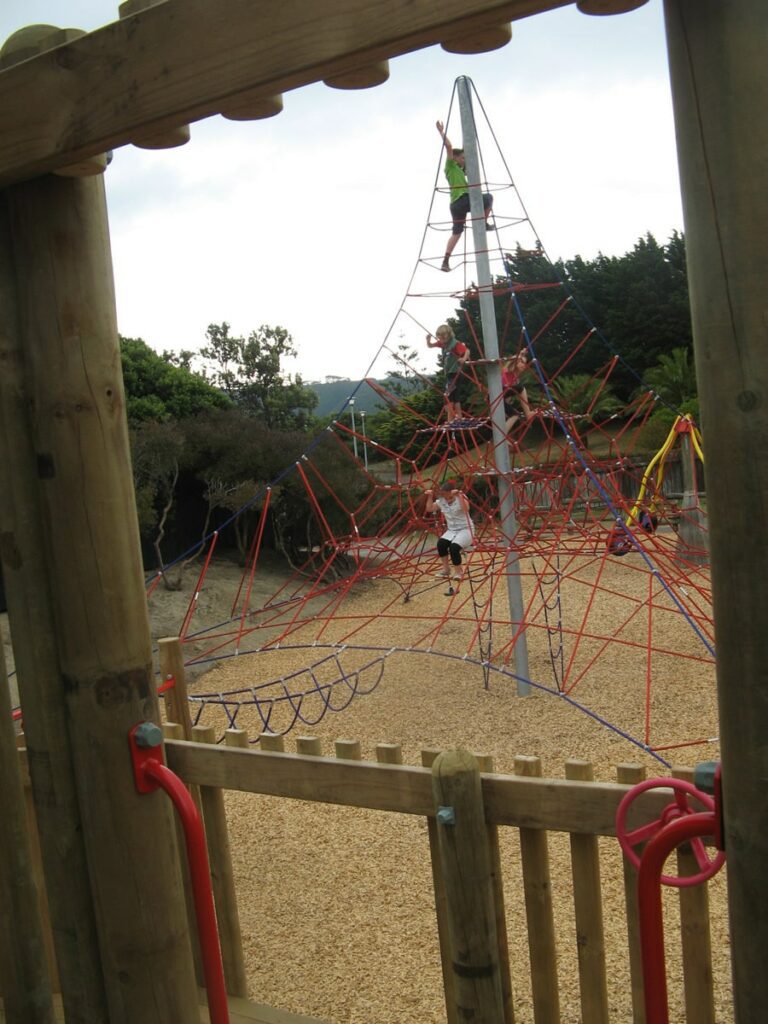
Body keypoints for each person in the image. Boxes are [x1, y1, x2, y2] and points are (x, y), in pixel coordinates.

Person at [435, 120, 494, 272]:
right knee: (488, 199)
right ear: (454, 158)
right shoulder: (450, 165)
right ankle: (484, 223)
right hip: (462, 200)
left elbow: (469, 167)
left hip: (455, 205)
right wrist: (441, 132)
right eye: (461, 158)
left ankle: (446, 260)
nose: (463, 161)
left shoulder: (460, 170)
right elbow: (448, 147)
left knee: (457, 232)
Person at [424, 480, 475, 585]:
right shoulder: (442, 501)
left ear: (452, 492)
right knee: (441, 544)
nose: (446, 499)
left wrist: (459, 495)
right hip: (452, 530)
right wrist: (429, 496)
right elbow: (429, 509)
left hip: (465, 530)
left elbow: (466, 509)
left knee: (454, 548)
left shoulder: (461, 497)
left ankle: (458, 572)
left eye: (448, 496)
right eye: (444, 496)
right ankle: (446, 569)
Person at [426, 323, 470, 421]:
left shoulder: (454, 344)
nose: (441, 337)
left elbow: (467, 351)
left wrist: (463, 359)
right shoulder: (442, 343)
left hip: (455, 373)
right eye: (439, 335)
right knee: (455, 397)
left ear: (449, 334)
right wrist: (428, 340)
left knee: (448, 396)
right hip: (449, 374)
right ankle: (459, 418)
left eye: (444, 335)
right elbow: (430, 345)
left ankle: (450, 419)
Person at [502, 349, 534, 433]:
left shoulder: (514, 376)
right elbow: (512, 361)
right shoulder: (508, 370)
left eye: (525, 363)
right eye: (522, 362)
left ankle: (501, 437)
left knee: (514, 415)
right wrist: (521, 354)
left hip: (501, 398)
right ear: (516, 363)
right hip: (496, 398)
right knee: (521, 388)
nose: (525, 365)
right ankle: (528, 413)